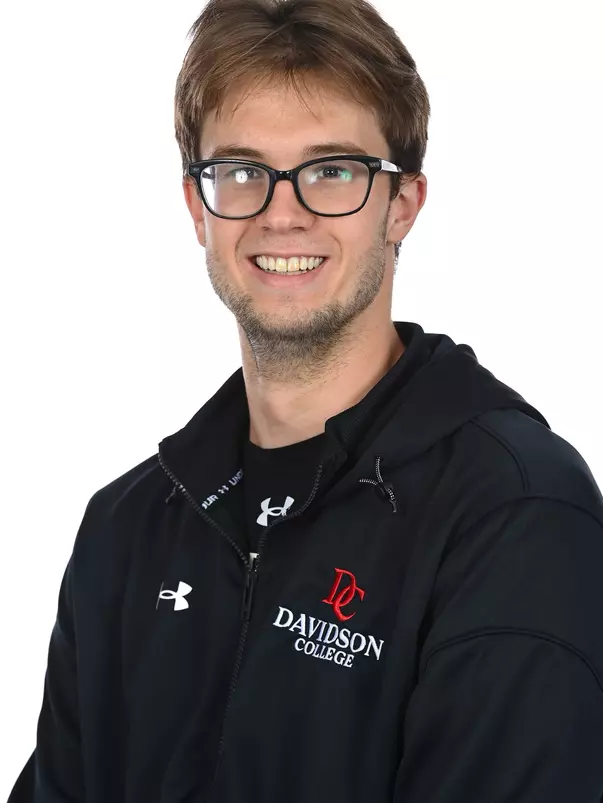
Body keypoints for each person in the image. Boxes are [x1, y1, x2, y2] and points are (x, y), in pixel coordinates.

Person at [8, 0, 603, 800]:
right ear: (197, 206)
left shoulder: (514, 514)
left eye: (330, 170)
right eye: (241, 171)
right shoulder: (126, 528)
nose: (280, 213)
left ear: (402, 205)